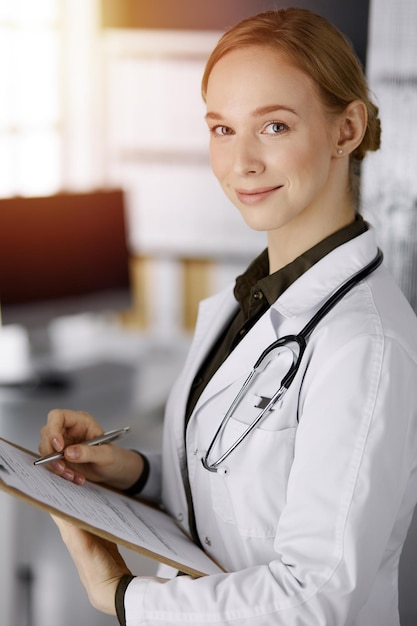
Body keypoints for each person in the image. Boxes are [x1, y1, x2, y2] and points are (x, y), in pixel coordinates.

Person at [38, 8, 417, 626]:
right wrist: (131, 473)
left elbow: (315, 596)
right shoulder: (253, 300)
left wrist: (120, 594)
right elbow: (244, 489)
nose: (240, 162)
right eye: (221, 129)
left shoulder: (362, 343)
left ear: (347, 127)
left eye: (273, 126)